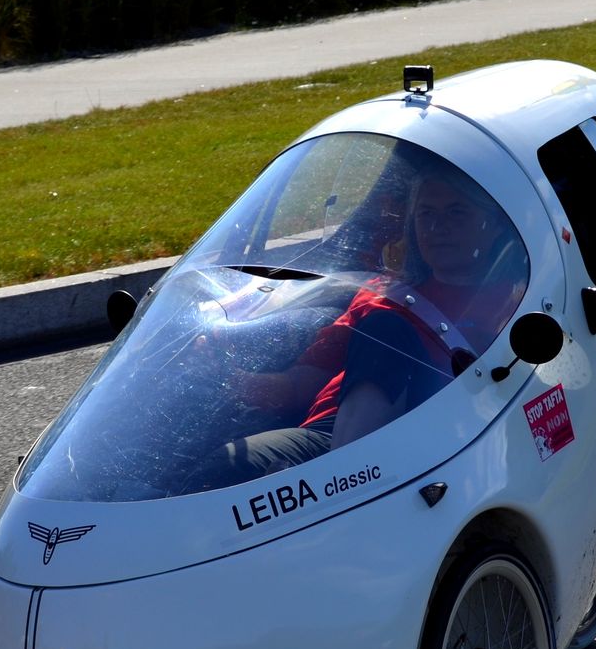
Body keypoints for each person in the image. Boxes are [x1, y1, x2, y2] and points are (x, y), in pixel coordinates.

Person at [205, 168, 524, 485]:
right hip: (329, 438)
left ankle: (345, 478)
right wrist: (226, 377)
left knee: (387, 329)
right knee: (216, 464)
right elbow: (299, 385)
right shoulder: (382, 293)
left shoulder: (516, 301)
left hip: (434, 447)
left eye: (456, 212)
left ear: (495, 225)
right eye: (426, 214)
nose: (438, 227)